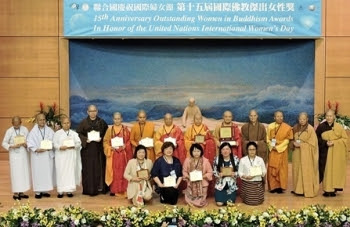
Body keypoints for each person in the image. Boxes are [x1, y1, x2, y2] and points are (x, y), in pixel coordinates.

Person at [76, 105, 108, 196]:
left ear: (97, 111)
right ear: (87, 112)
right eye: (91, 111)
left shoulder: (102, 122)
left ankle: (100, 188)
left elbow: (107, 135)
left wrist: (101, 138)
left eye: (94, 111)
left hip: (99, 150)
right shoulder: (83, 123)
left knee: (99, 169)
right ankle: (89, 189)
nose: (92, 113)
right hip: (87, 151)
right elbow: (78, 134)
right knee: (88, 170)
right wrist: (85, 139)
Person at [316, 109, 348, 197]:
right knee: (326, 170)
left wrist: (335, 143)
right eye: (327, 116)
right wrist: (325, 143)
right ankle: (327, 189)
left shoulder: (339, 127)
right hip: (325, 152)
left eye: (330, 116)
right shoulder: (321, 127)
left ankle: (334, 189)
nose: (329, 118)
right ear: (325, 117)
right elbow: (316, 139)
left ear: (334, 117)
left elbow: (345, 139)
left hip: (336, 154)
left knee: (335, 170)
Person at [103, 112, 133, 197]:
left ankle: (124, 189)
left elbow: (129, 141)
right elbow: (105, 142)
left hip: (123, 155)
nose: (117, 120)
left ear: (121, 119)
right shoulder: (110, 130)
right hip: (113, 154)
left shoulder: (125, 129)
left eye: (118, 118)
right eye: (115, 119)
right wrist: (110, 148)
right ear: (113, 119)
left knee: (123, 171)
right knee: (114, 172)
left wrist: (125, 146)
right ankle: (114, 190)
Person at [2, 116, 31, 200]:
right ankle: (15, 193)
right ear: (12, 123)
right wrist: (12, 146)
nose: (17, 125)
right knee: (16, 174)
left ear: (21, 122)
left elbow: (29, 141)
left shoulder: (25, 129)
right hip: (14, 156)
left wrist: (26, 145)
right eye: (15, 124)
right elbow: (4, 143)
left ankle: (22, 192)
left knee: (23, 173)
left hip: (23, 154)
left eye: (18, 123)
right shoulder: (9, 131)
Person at [290, 112, 319, 198]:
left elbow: (313, 144)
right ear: (298, 119)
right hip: (296, 154)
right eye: (300, 119)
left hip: (306, 155)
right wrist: (293, 143)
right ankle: (297, 189)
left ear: (307, 119)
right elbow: (291, 139)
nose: (302, 121)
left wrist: (301, 145)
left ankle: (305, 190)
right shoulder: (295, 127)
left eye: (304, 119)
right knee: (296, 170)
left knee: (305, 171)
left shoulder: (310, 129)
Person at [27, 113, 55, 199]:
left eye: (44, 120)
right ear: (37, 121)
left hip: (47, 156)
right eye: (40, 120)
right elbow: (29, 143)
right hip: (38, 157)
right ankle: (38, 191)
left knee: (47, 173)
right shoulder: (32, 132)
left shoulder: (50, 130)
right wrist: (36, 149)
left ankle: (45, 190)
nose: (42, 121)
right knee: (38, 173)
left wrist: (51, 146)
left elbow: (54, 140)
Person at [53, 116, 82, 198]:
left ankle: (70, 190)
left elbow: (78, 143)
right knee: (61, 173)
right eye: (64, 123)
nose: (66, 125)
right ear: (62, 124)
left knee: (70, 173)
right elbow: (54, 144)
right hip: (61, 157)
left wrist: (74, 146)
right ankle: (60, 191)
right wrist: (60, 147)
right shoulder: (57, 134)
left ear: (70, 123)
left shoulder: (74, 133)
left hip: (70, 156)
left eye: (68, 123)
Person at [266, 111, 293, 194]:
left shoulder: (287, 127)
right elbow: (267, 138)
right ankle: (273, 187)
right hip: (273, 151)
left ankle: (281, 187)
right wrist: (271, 146)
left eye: (281, 116)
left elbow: (287, 140)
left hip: (282, 151)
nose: (280, 118)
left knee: (282, 169)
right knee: (272, 168)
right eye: (277, 116)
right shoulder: (270, 126)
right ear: (274, 118)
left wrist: (278, 147)